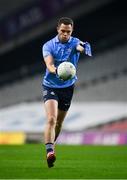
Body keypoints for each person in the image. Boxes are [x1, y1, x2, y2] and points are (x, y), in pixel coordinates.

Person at [42, 17, 92, 168]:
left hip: (68, 87)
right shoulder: (48, 45)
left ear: (72, 31)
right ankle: (49, 152)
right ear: (57, 29)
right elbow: (49, 64)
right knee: (51, 119)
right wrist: (56, 70)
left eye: (68, 32)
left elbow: (80, 47)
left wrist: (83, 47)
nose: (65, 34)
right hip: (50, 85)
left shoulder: (75, 42)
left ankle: (52, 145)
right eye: (62, 31)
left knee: (59, 123)